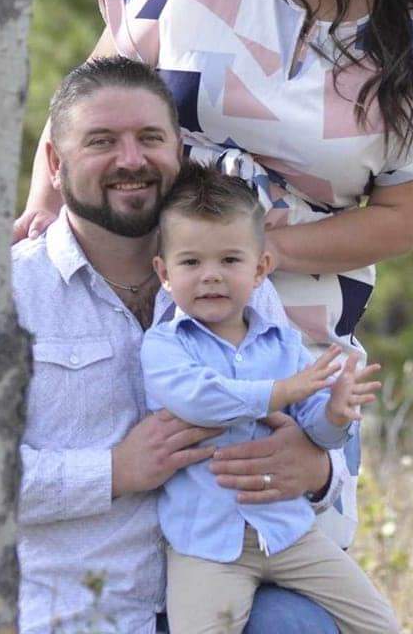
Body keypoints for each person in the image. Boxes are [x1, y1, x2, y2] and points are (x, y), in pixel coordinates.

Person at [15, 0, 413, 546]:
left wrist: (261, 255)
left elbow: (402, 222)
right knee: (128, 559)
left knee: (286, 578)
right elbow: (90, 99)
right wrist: (42, 204)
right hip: (140, 312)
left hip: (291, 341)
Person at [13, 58, 345, 634]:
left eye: (150, 139)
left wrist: (315, 471)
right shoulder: (10, 293)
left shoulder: (235, 282)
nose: (132, 160)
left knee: (302, 626)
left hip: (236, 575)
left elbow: (307, 422)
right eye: (101, 141)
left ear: (178, 154)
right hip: (82, 606)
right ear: (55, 164)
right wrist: (114, 470)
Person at [141, 162, 399, 634]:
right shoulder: (165, 345)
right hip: (208, 546)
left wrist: (335, 416)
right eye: (191, 262)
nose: (211, 277)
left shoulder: (282, 343)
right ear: (164, 272)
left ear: (260, 268)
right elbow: (200, 400)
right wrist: (280, 392)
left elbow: (311, 430)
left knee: (380, 624)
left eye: (230, 261)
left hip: (288, 533)